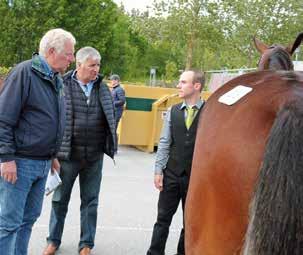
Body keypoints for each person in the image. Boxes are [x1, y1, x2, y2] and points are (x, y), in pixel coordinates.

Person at [0, 28, 76, 255]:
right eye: (69, 54)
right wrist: (6, 158)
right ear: (52, 51)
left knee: (27, 221)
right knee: (8, 223)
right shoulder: (24, 73)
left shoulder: (55, 79)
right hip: (20, 163)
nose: (72, 59)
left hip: (43, 164)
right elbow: (3, 119)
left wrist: (53, 155)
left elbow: (49, 120)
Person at [43, 47, 116, 255]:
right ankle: (53, 241)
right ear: (79, 64)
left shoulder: (102, 87)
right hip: (67, 155)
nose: (97, 69)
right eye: (92, 65)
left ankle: (86, 244)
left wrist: (108, 142)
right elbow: (52, 118)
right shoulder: (62, 84)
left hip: (94, 156)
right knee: (59, 200)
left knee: (90, 201)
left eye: (98, 65)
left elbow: (111, 115)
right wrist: (52, 153)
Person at [146, 69, 205, 255]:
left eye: (183, 82)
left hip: (196, 179)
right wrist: (158, 171)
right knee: (162, 219)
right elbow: (164, 142)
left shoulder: (209, 112)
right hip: (171, 174)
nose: (178, 85)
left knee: (190, 223)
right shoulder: (173, 111)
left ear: (197, 86)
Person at [110, 74, 125, 153]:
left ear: (116, 80)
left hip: (116, 113)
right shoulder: (115, 89)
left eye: (112, 80)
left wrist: (112, 104)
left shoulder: (119, 90)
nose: (111, 82)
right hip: (114, 112)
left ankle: (114, 149)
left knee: (113, 130)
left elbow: (122, 101)